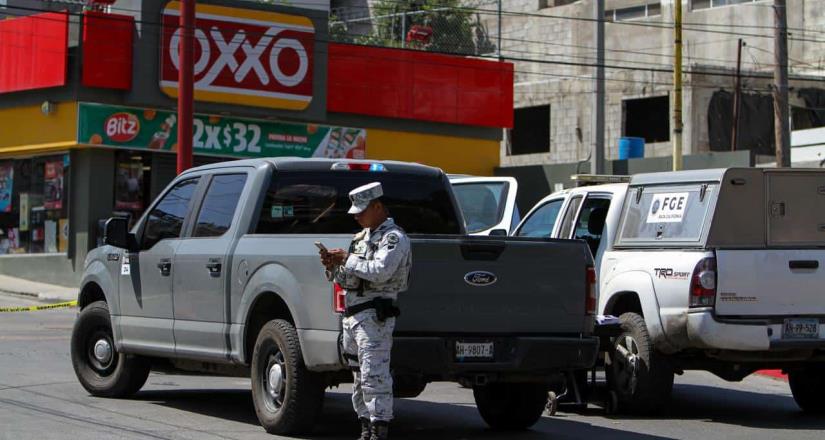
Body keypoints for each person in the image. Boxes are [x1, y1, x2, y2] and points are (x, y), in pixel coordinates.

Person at [320, 182, 412, 440]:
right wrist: (332, 266)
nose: (357, 216)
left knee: (375, 376)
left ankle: (379, 429)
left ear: (378, 206)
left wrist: (346, 259)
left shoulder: (393, 238)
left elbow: (381, 272)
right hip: (353, 316)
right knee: (359, 377)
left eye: (362, 210)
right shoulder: (360, 239)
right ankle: (365, 428)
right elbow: (349, 278)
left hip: (374, 317)